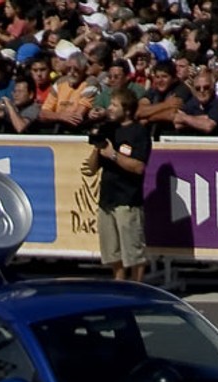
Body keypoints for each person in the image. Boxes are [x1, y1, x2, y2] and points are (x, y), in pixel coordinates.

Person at [83, 87, 151, 285]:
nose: (110, 109)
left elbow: (138, 167)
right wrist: (98, 146)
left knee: (133, 252)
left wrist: (113, 154)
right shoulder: (109, 129)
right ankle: (119, 283)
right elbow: (92, 168)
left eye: (114, 105)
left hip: (127, 200)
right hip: (107, 200)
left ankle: (137, 287)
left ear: (127, 109)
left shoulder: (139, 132)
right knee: (112, 251)